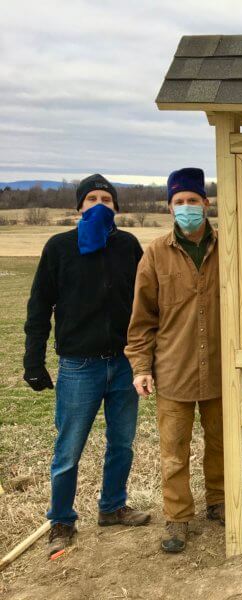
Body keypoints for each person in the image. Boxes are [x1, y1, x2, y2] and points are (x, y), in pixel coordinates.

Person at [23, 174, 151, 557]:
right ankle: (61, 519)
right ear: (78, 206)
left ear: (116, 207)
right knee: (68, 449)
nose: (99, 204)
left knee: (122, 443)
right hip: (79, 366)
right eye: (91, 198)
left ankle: (112, 506)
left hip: (125, 364)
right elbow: (39, 307)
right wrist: (34, 358)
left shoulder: (128, 245)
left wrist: (148, 356)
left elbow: (146, 303)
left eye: (106, 199)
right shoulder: (59, 247)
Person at [125, 167, 223, 554]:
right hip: (173, 371)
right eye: (179, 202)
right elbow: (142, 319)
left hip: (219, 368)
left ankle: (219, 502)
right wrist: (141, 367)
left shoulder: (226, 246)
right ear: (170, 208)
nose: (187, 208)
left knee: (220, 443)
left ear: (206, 203)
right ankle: (178, 518)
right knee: (174, 451)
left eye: (192, 201)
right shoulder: (154, 254)